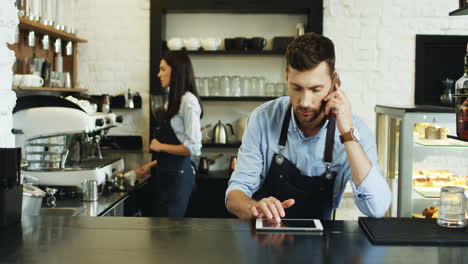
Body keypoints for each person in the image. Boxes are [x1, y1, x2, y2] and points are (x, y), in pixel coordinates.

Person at [225, 33, 391, 222]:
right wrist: (253, 207)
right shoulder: (263, 118)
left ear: (334, 82)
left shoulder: (354, 129)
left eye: (316, 89)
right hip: (265, 239)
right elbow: (234, 196)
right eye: (297, 88)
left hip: (323, 245)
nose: (305, 102)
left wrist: (347, 134)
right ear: (286, 75)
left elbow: (377, 208)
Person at [136, 51, 202, 217]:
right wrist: (152, 166)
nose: (159, 74)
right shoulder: (173, 100)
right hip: (166, 174)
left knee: (170, 236)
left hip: (178, 178)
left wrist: (159, 146)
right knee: (162, 235)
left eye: (163, 69)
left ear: (176, 71)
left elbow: (192, 148)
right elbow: (177, 144)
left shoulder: (188, 101)